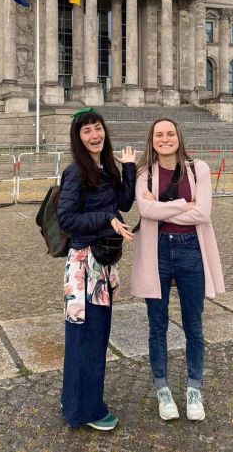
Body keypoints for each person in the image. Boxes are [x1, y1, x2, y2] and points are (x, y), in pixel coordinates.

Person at [133, 118, 225, 422]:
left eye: (170, 133)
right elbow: (145, 212)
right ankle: (162, 389)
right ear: (152, 139)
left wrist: (164, 207)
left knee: (193, 325)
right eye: (159, 134)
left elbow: (204, 213)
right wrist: (185, 204)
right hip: (156, 250)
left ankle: (193, 389)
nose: (165, 138)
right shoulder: (144, 173)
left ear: (178, 137)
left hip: (190, 250)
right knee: (157, 325)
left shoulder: (199, 169)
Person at [57, 107, 137, 430]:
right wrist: (107, 219)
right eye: (87, 130)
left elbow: (125, 203)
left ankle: (76, 401)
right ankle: (84, 411)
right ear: (78, 138)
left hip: (101, 266)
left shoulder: (105, 168)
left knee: (94, 336)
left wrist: (128, 168)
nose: (95, 135)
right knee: (85, 338)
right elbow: (67, 219)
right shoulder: (76, 172)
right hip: (83, 267)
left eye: (98, 128)